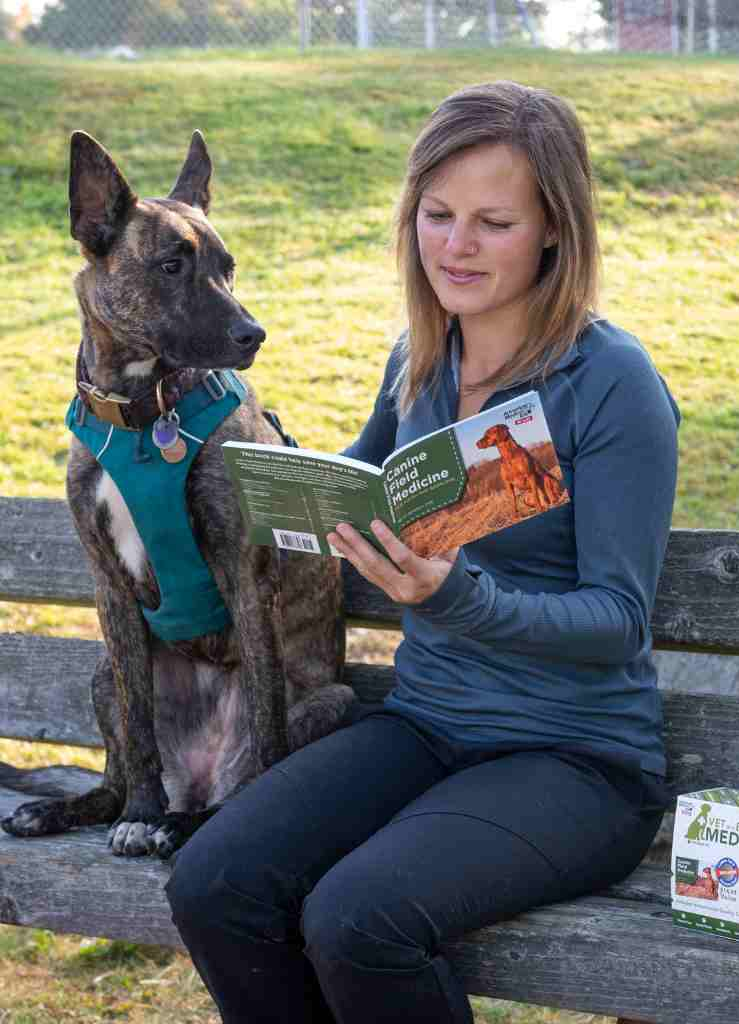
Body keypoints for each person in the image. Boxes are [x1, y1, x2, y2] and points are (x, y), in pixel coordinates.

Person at [165, 80, 681, 1024]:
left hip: (575, 761)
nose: (456, 245)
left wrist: (456, 595)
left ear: (555, 232)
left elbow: (619, 621)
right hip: (430, 725)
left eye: (494, 221)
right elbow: (356, 485)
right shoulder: (420, 359)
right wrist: (276, 479)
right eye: (437, 216)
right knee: (213, 883)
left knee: (358, 917)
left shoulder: (612, 385)